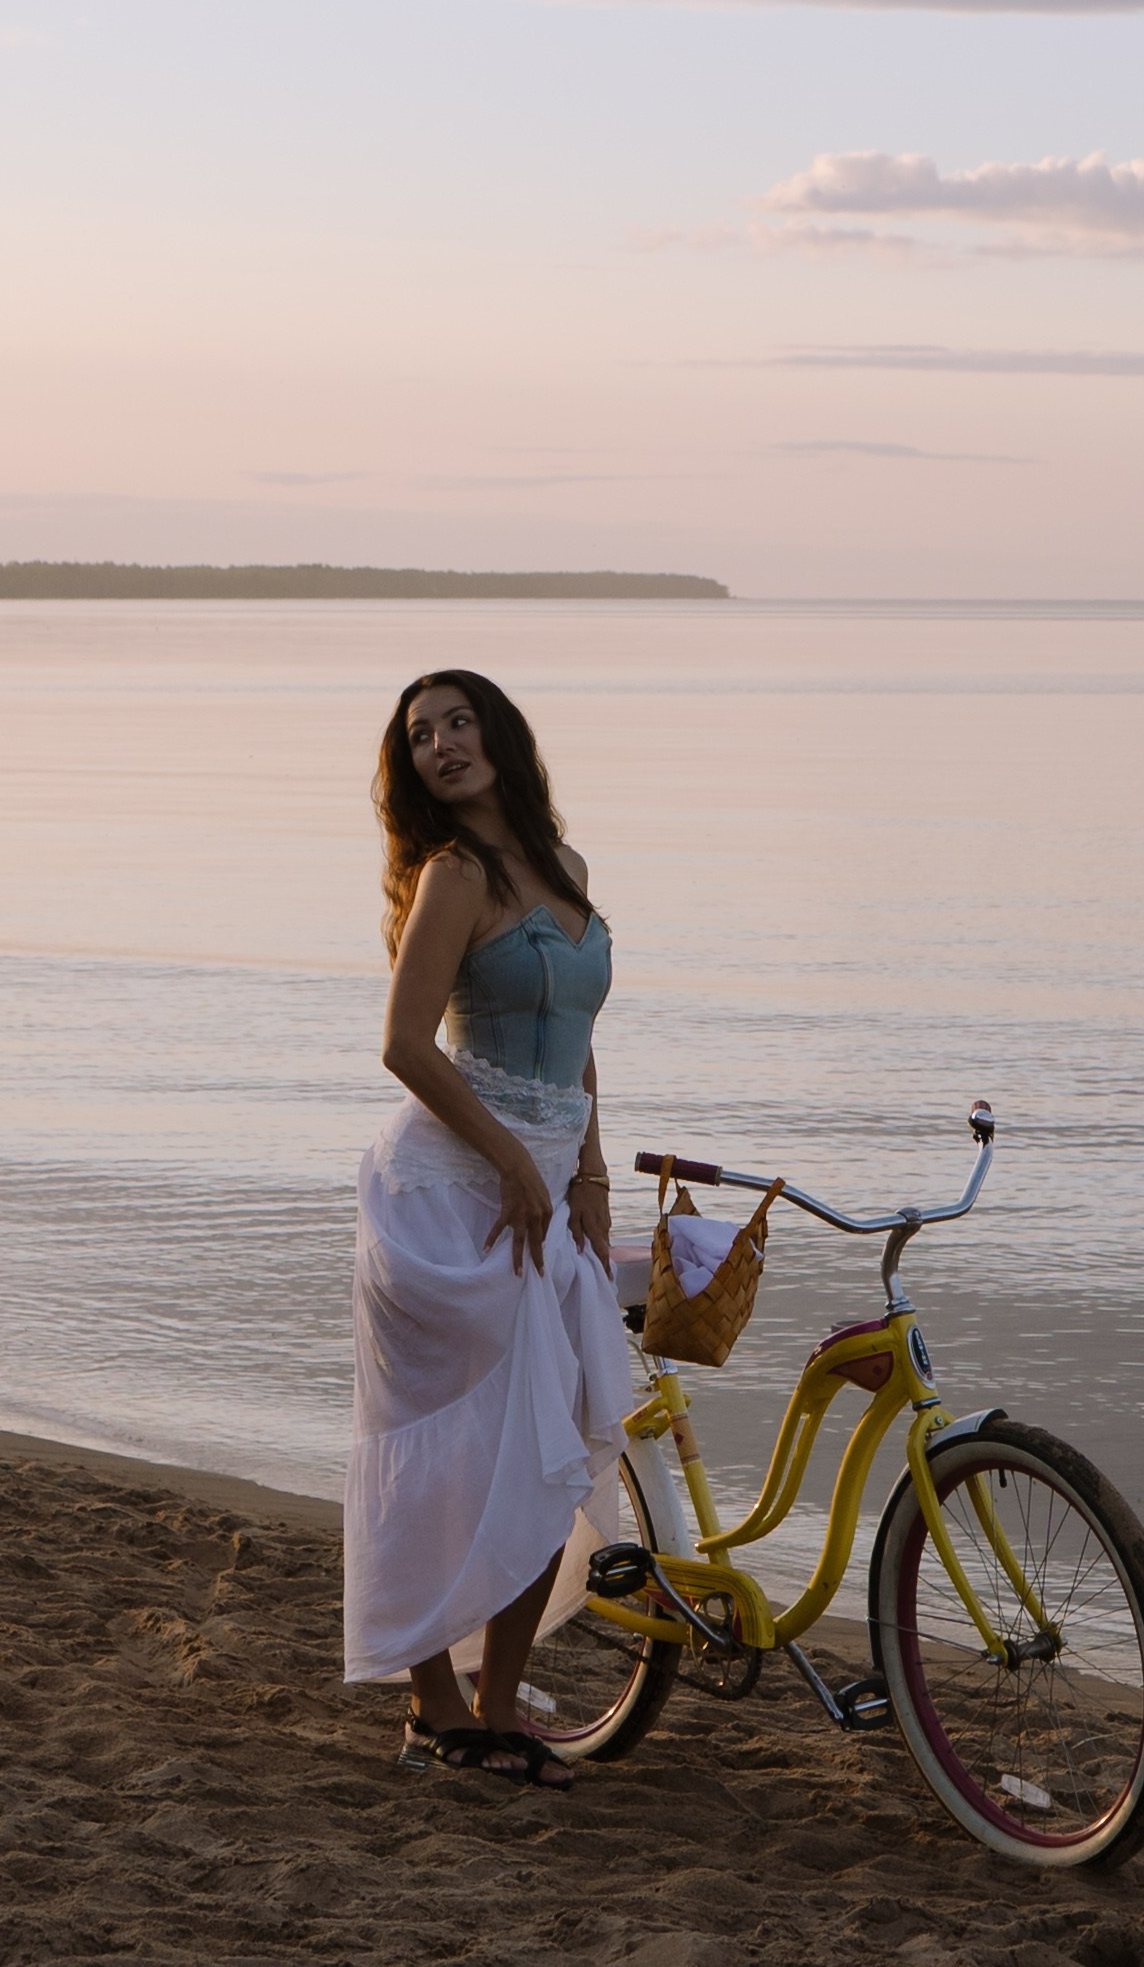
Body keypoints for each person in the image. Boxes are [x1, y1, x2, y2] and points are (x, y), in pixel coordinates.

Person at [342, 668, 627, 1786]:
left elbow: (582, 1033)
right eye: (420, 736)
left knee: (544, 1454)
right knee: (440, 1459)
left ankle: (497, 1712)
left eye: (458, 722)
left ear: (501, 734)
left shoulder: (569, 873)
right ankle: (432, 1706)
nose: (442, 744)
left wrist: (591, 1171)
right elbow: (407, 1043)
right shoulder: (449, 877)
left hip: (544, 1195)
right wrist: (513, 1155)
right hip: (448, 1198)